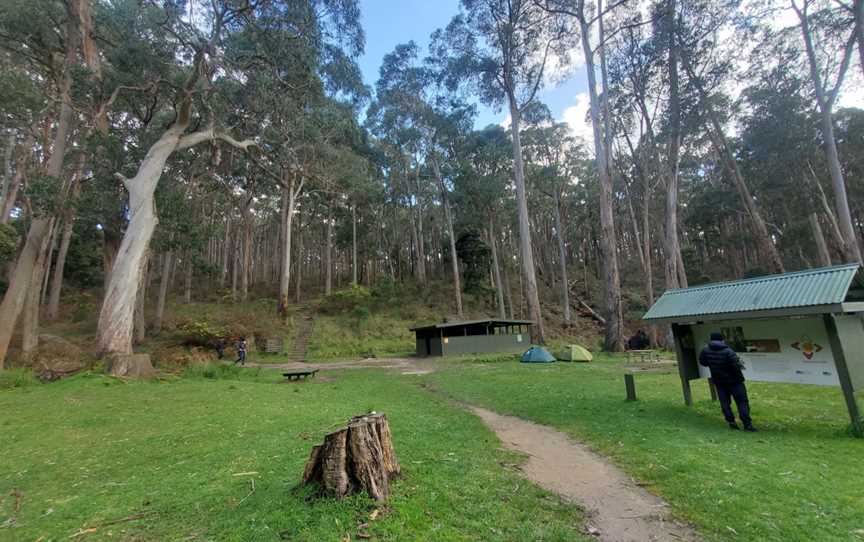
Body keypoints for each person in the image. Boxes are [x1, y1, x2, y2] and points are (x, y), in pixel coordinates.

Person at [699, 331, 756, 431]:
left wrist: (713, 365)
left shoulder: (705, 350)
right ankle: (747, 424)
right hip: (735, 381)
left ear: (711, 340)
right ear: (722, 340)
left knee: (725, 402)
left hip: (719, 381)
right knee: (742, 402)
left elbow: (702, 362)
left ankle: (731, 422)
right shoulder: (728, 351)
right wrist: (739, 376)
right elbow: (736, 366)